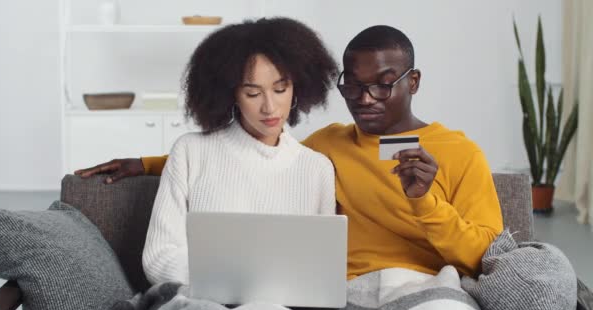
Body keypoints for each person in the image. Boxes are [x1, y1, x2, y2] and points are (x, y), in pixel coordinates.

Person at [76, 25, 503, 280]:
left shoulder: (459, 153)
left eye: (383, 84)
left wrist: (426, 202)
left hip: (424, 286)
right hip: (344, 291)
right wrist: (148, 164)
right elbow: (244, 153)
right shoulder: (329, 147)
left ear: (414, 81)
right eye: (352, 85)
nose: (366, 98)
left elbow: (486, 258)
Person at [100, 17, 339, 285]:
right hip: (202, 304)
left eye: (280, 89)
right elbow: (159, 258)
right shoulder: (191, 152)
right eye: (252, 93)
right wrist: (233, 286)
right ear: (231, 94)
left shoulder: (317, 169)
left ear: (298, 87)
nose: (270, 107)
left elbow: (319, 270)